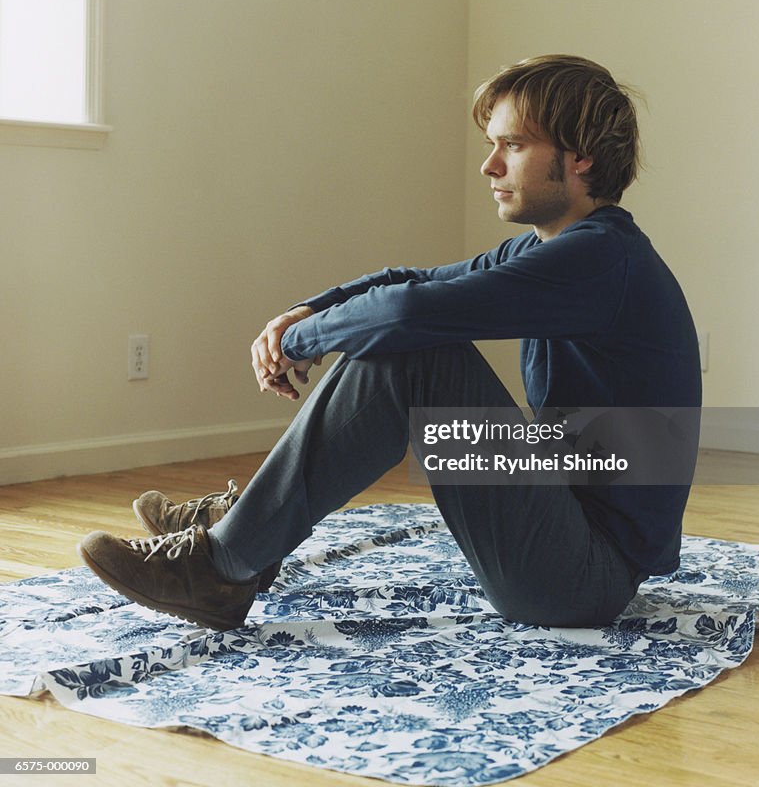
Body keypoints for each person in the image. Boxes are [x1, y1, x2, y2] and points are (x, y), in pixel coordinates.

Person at [78, 54, 701, 632]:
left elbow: (406, 311)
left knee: (419, 348)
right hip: (564, 527)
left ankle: (219, 566)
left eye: (512, 145)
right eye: (493, 146)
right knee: (411, 333)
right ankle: (240, 540)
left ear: (582, 155)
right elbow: (414, 282)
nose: (490, 166)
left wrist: (304, 339)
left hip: (583, 579)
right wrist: (314, 308)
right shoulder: (555, 248)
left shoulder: (599, 259)